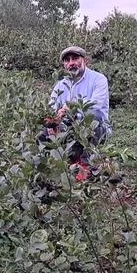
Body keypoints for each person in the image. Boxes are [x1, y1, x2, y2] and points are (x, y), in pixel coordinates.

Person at [45, 46, 111, 180]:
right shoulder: (61, 85)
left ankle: (87, 164)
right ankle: (64, 160)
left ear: (84, 60)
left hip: (95, 130)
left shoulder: (98, 79)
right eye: (67, 60)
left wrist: (71, 110)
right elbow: (51, 108)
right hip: (69, 130)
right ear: (64, 64)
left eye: (75, 58)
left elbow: (96, 107)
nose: (71, 63)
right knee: (45, 128)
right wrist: (57, 115)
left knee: (94, 118)